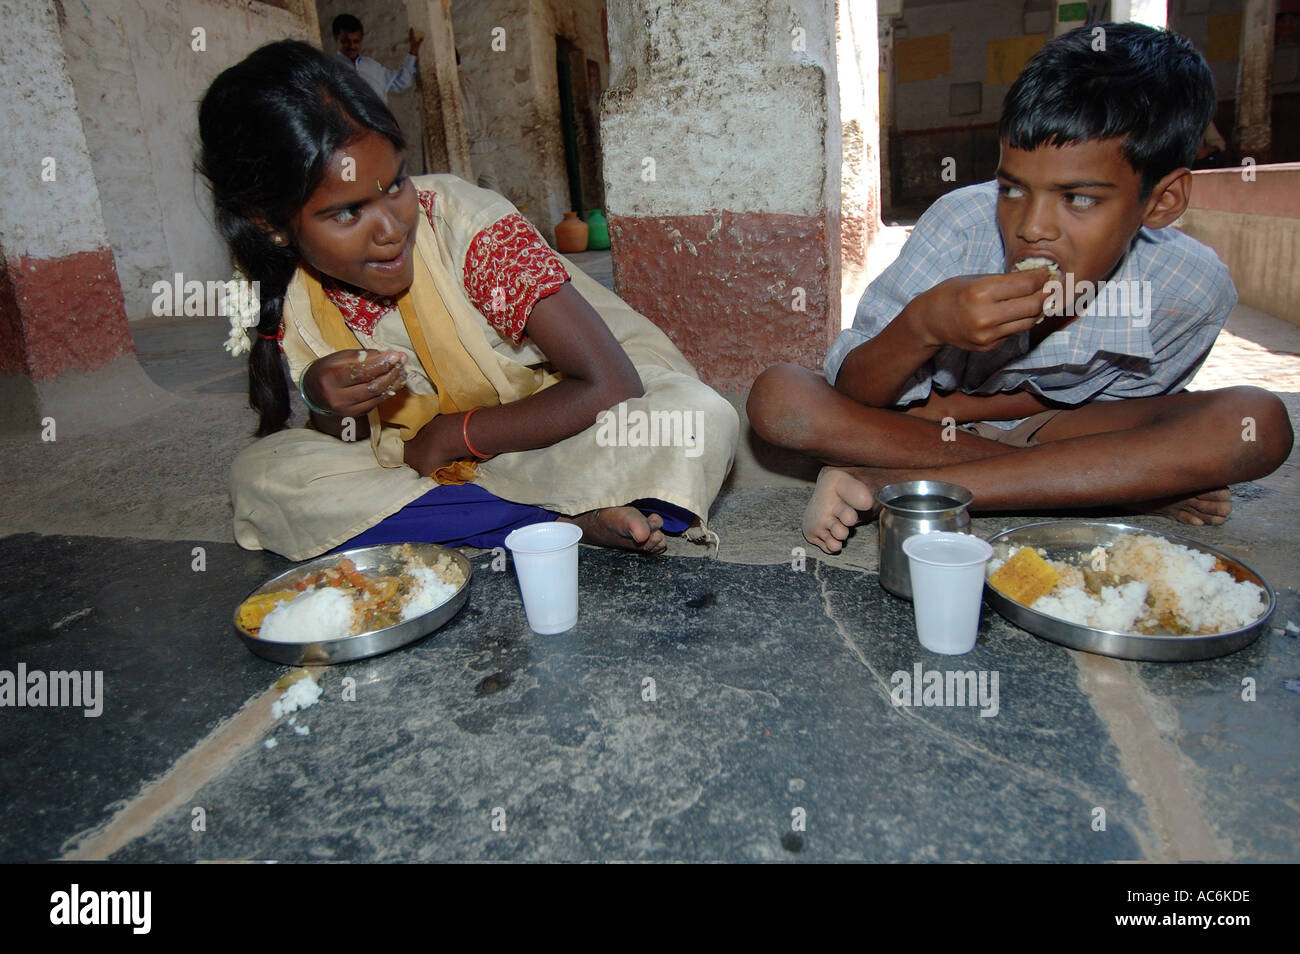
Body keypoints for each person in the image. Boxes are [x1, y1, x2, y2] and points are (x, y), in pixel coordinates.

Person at [747, 23, 1292, 555]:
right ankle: (1095, 490)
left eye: (1078, 198)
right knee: (781, 397)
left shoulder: (1190, 288)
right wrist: (924, 325)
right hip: (922, 425)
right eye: (1013, 188)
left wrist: (962, 415)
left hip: (1049, 432)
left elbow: (1123, 415)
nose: (1032, 226)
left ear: (1162, 201)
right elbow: (855, 395)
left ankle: (892, 484)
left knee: (1255, 426)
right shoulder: (962, 226)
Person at [198, 42, 737, 561]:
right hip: (415, 459)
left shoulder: (466, 226)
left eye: (395, 184)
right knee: (262, 477)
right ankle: (559, 521)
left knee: (693, 420)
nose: (390, 227)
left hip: (562, 420)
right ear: (271, 224)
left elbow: (610, 383)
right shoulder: (283, 287)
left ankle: (487, 517)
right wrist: (324, 399)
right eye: (347, 212)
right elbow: (354, 441)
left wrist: (454, 434)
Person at [333, 13, 421, 107]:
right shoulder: (331, 68)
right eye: (346, 41)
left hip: (380, 121)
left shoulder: (370, 65)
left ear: (361, 39)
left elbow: (401, 82)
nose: (352, 46)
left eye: (356, 41)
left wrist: (413, 51)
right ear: (336, 38)